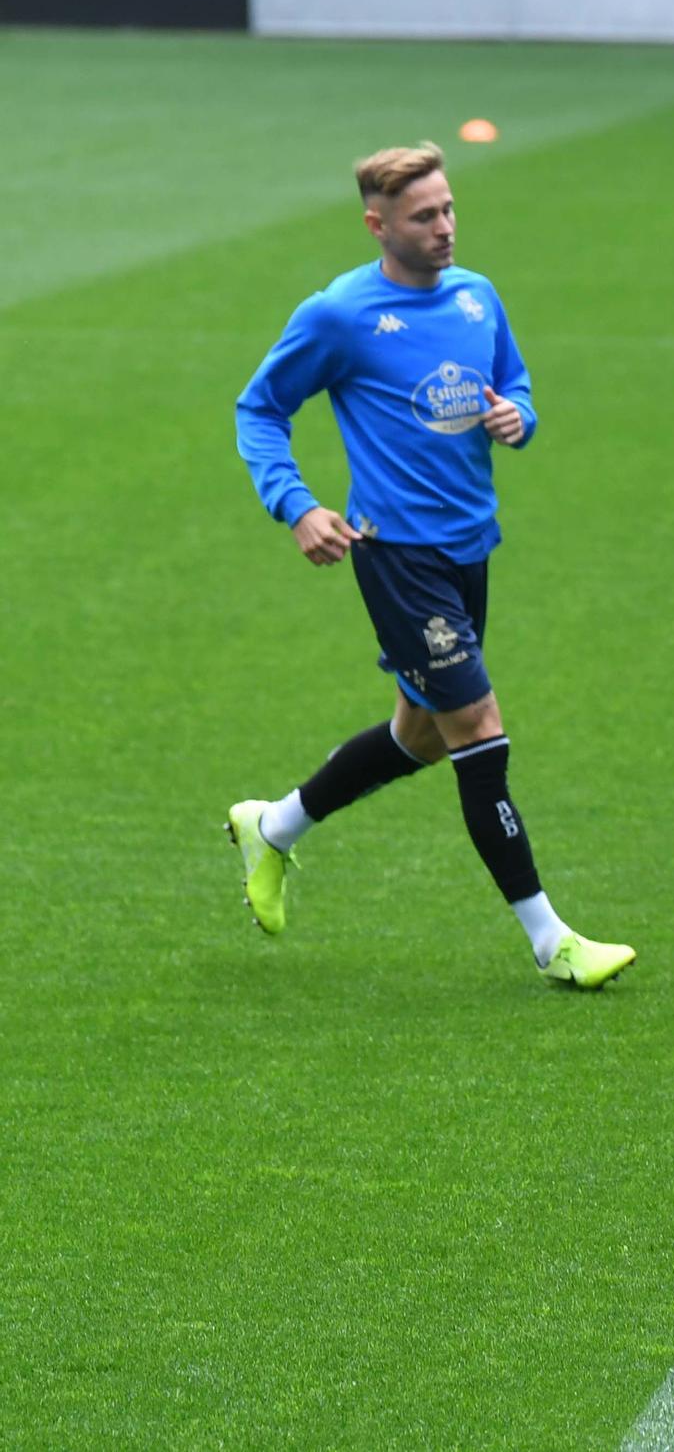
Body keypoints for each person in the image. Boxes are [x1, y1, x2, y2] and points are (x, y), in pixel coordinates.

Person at [228, 142, 635, 990]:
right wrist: (297, 504)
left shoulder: (477, 297)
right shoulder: (340, 315)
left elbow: (515, 384)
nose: (446, 227)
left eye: (449, 209)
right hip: (396, 556)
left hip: (468, 549)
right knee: (478, 729)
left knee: (417, 734)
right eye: (425, 216)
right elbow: (259, 409)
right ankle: (551, 939)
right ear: (379, 225)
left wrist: (516, 416)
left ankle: (272, 826)